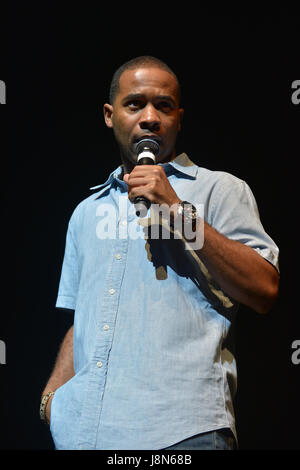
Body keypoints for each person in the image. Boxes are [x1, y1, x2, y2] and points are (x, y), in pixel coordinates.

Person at [41, 56, 279, 450]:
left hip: (183, 431)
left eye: (164, 106)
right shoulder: (86, 212)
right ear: (108, 114)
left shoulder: (221, 190)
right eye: (135, 104)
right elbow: (83, 318)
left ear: (179, 119)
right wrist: (54, 398)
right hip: (86, 434)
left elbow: (264, 288)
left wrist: (175, 209)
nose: (150, 117)